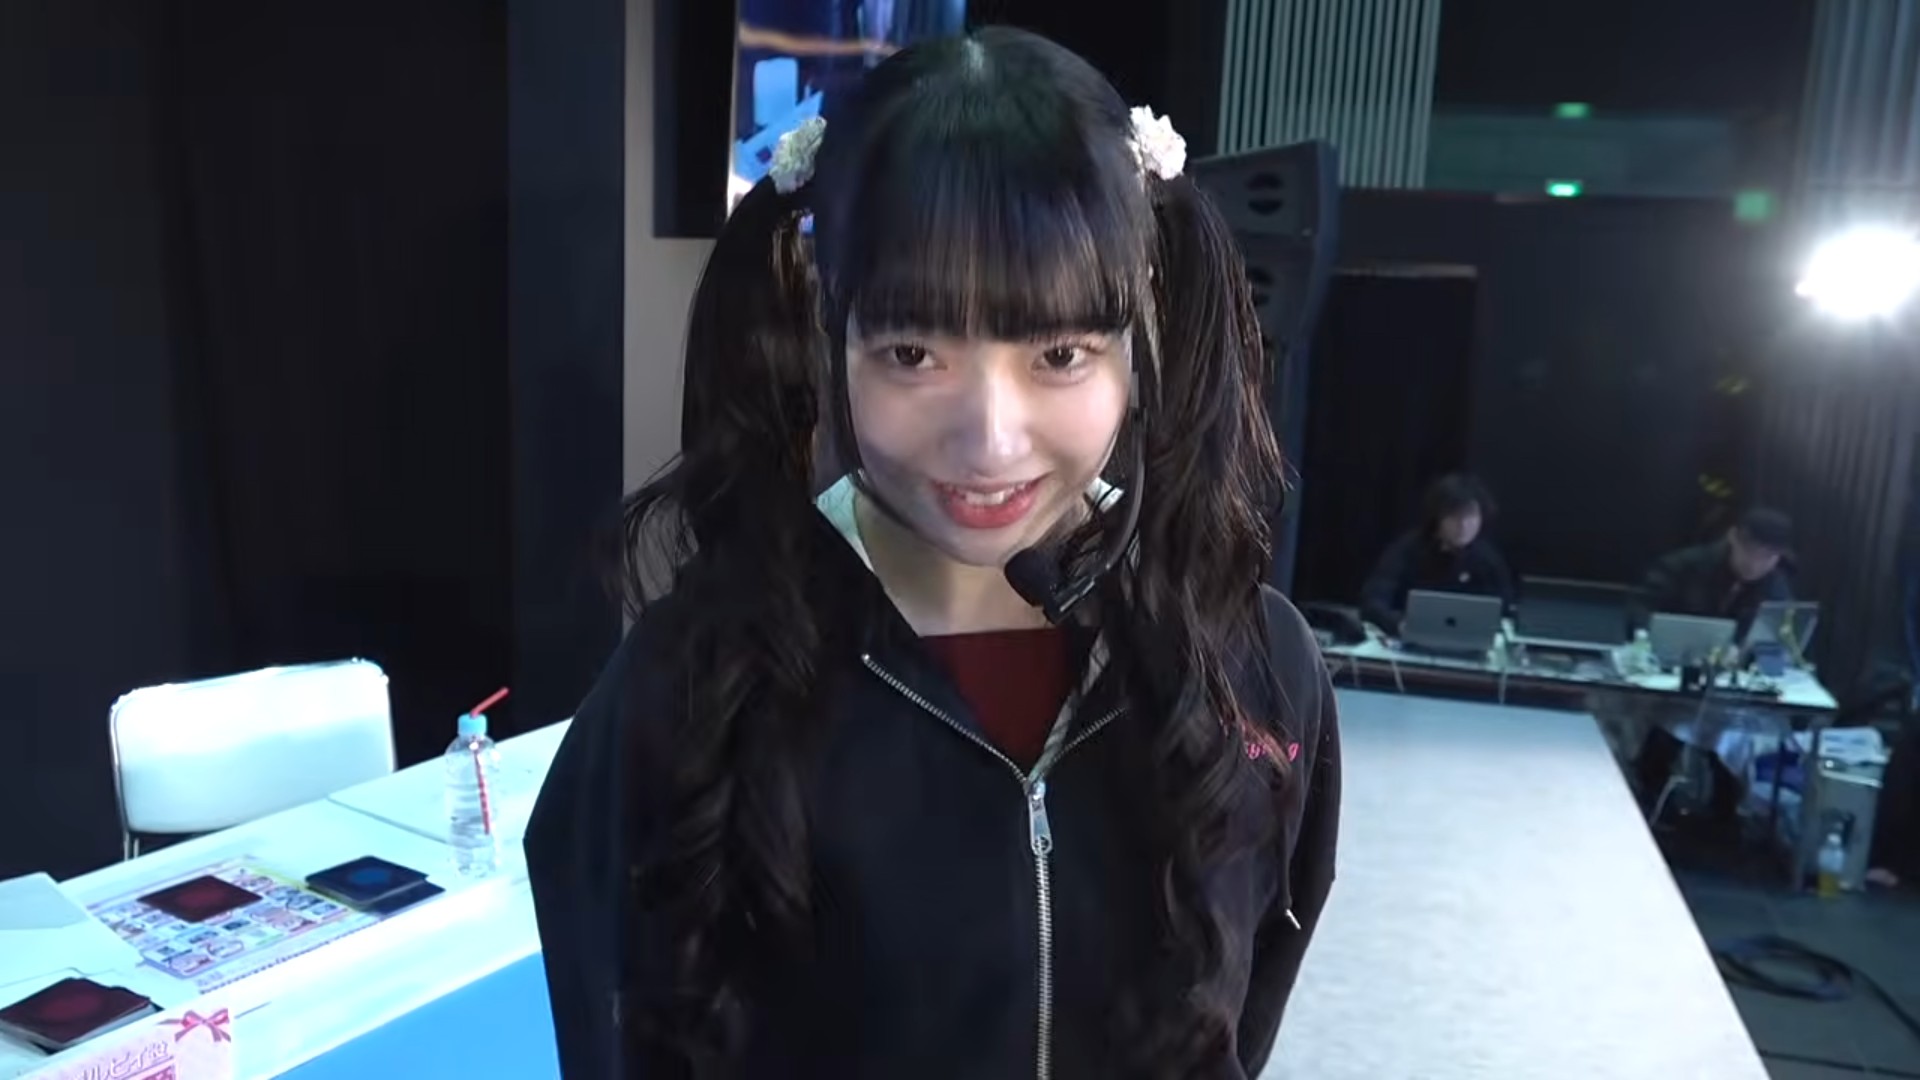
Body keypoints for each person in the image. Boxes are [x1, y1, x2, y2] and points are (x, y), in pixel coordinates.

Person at [525, 28, 1341, 1080]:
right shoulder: (692, 686)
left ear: (1137, 342)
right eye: (913, 353)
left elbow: (1242, 1009)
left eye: (1060, 353)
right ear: (829, 333)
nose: (990, 442)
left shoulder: (1256, 668)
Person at [1358, 473, 1515, 636]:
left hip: (1471, 641)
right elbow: (1373, 601)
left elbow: (1506, 609)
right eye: (1454, 517)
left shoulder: (1488, 559)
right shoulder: (1408, 550)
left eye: (1470, 516)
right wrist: (1399, 625)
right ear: (1438, 517)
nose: (1463, 525)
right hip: (1408, 638)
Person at [1639, 506, 1795, 634]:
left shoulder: (1776, 583)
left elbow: (1783, 634)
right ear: (1732, 537)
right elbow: (1641, 616)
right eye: (1749, 551)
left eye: (1767, 557)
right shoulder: (1680, 567)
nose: (1755, 564)